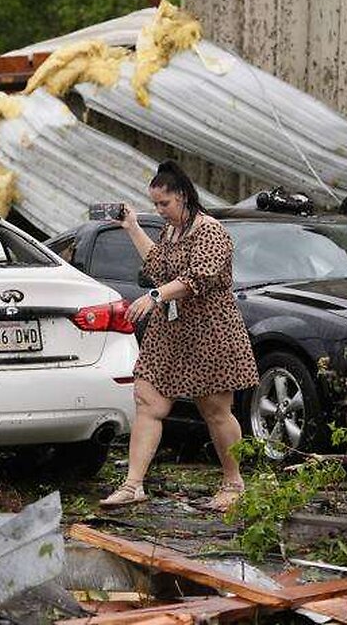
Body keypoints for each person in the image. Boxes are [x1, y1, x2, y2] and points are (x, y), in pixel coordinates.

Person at [99, 160, 259, 512]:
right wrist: (132, 227)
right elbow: (157, 265)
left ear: (183, 196)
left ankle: (233, 482)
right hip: (171, 329)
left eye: (164, 204)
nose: (160, 210)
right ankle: (133, 485)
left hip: (211, 330)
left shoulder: (210, 231)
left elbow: (196, 279)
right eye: (155, 204)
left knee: (215, 409)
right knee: (147, 399)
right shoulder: (171, 231)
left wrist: (154, 296)